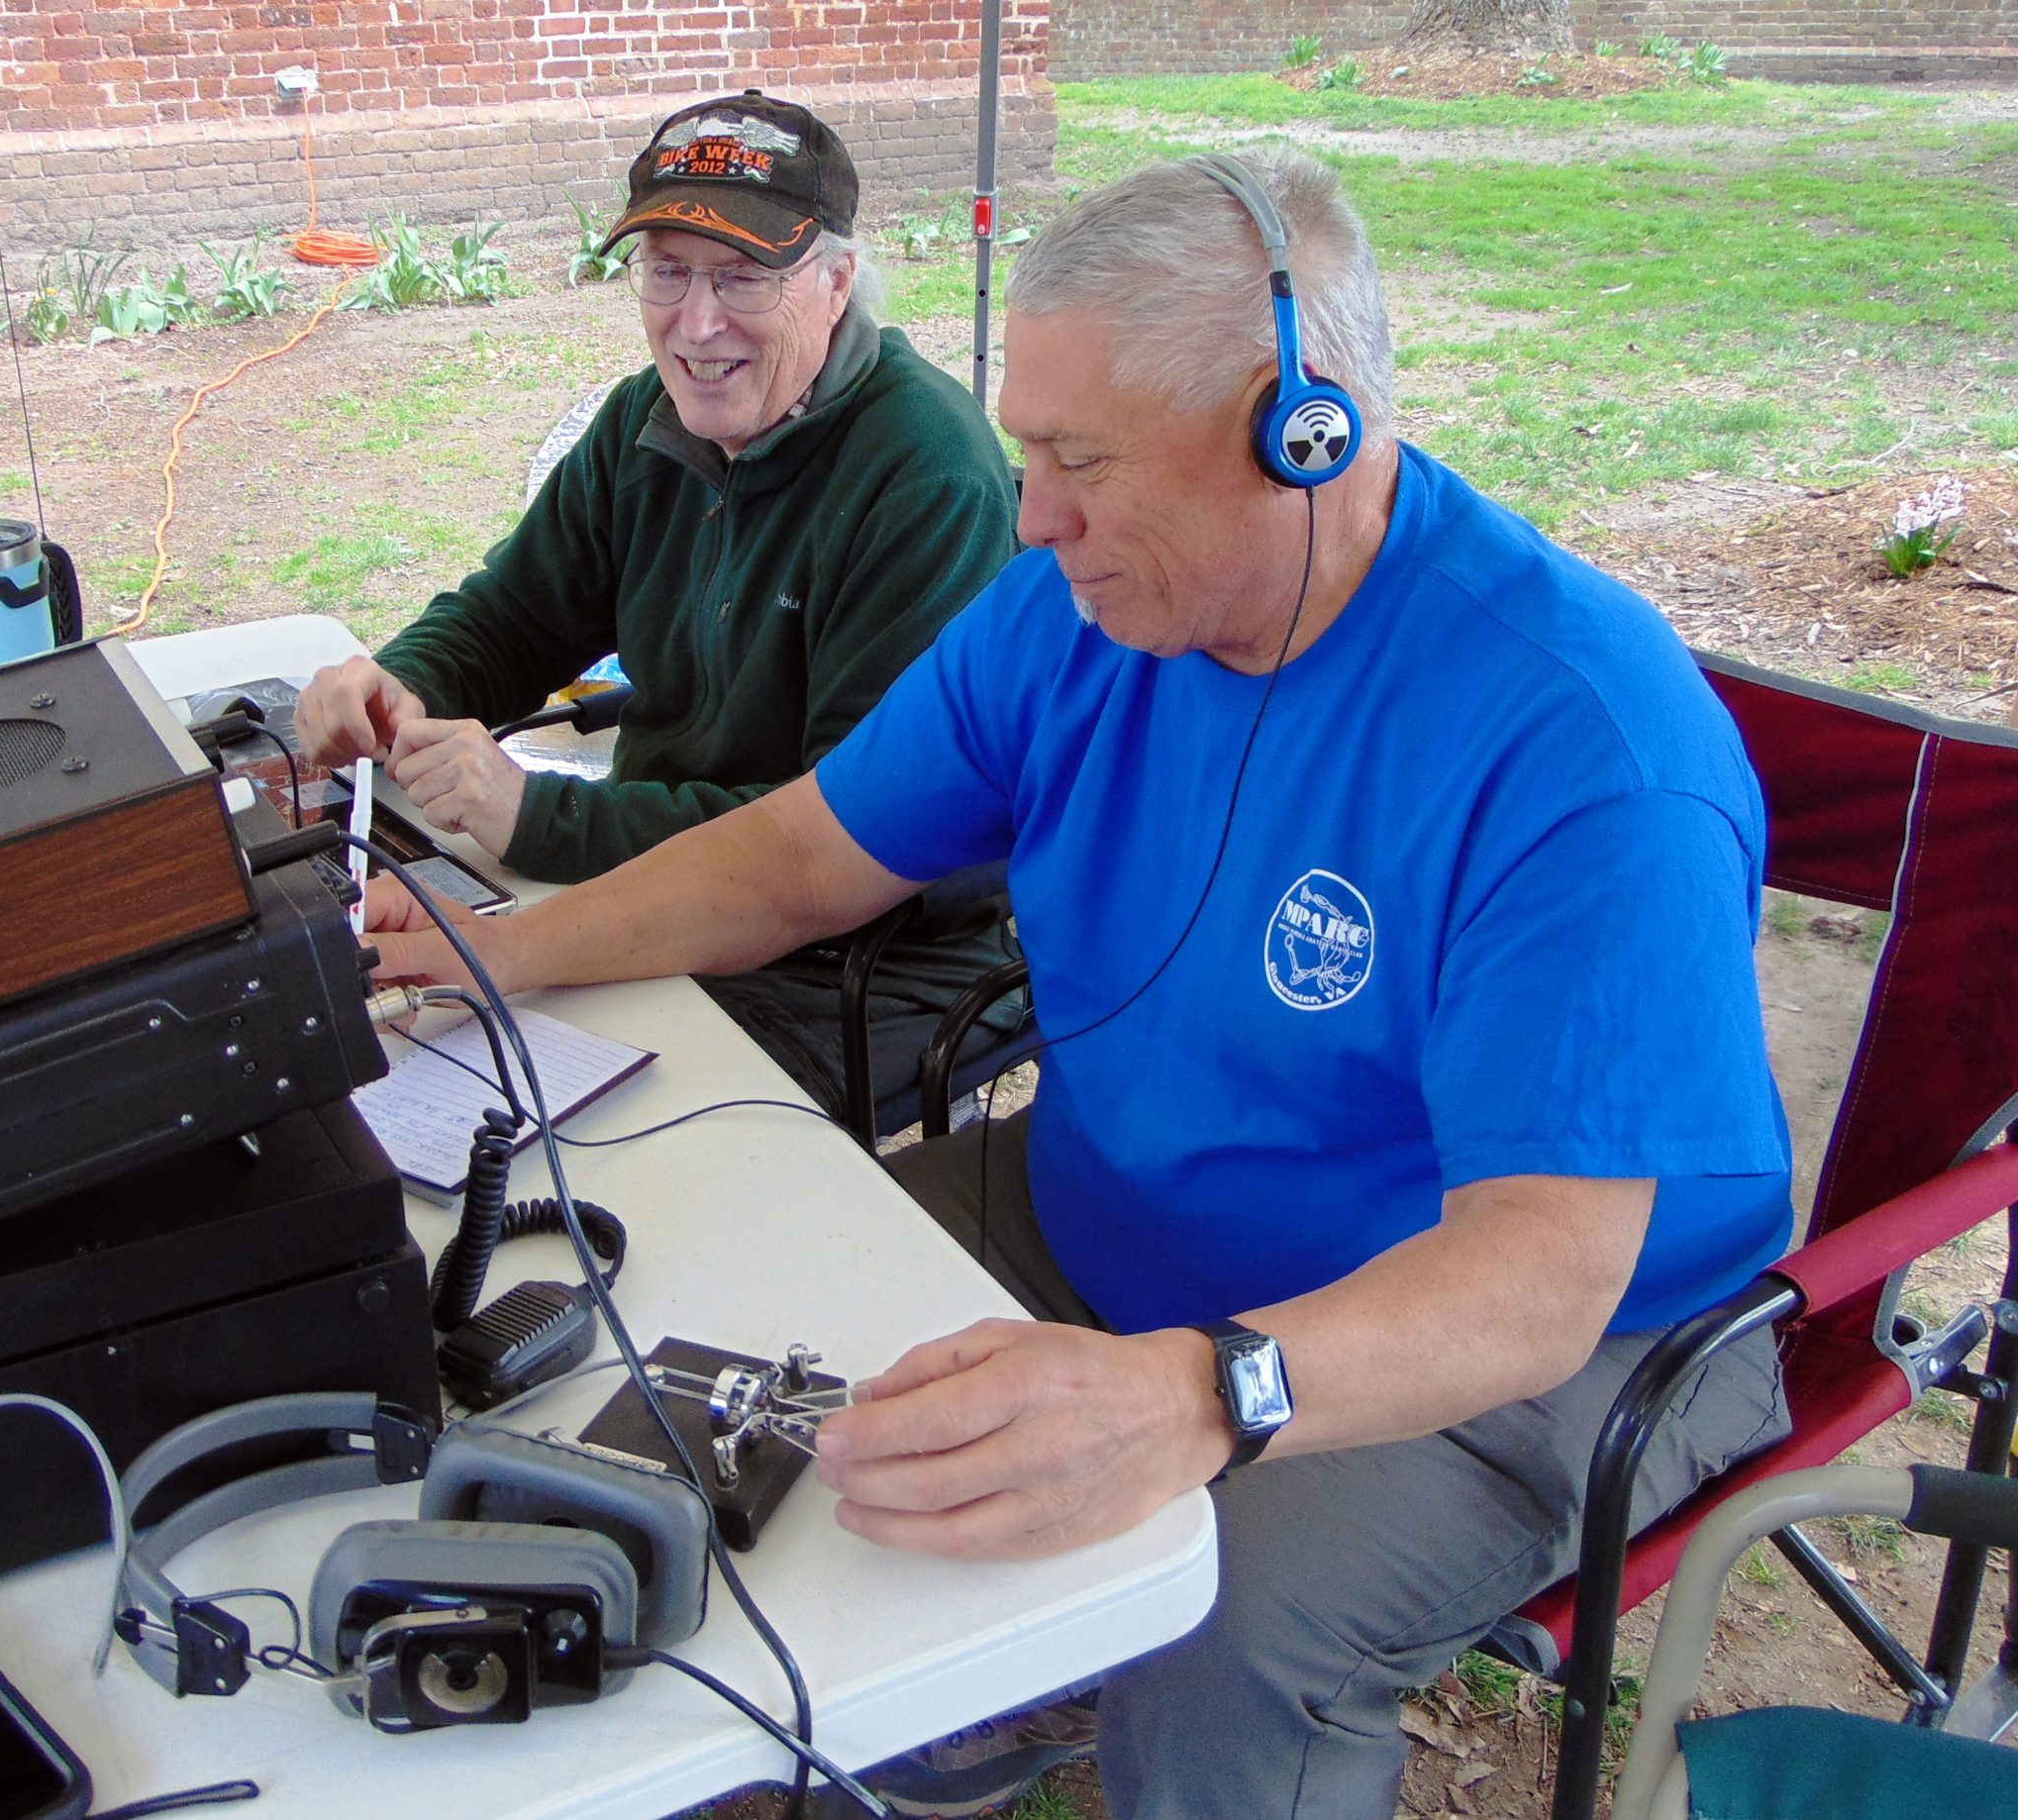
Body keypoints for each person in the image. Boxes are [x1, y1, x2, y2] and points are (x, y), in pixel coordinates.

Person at [360, 147, 1796, 1820]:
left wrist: (1201, 1388)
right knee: (730, 1321)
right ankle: (883, 1727)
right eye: (1025, 450)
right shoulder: (1072, 607)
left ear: (1296, 428)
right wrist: (502, 952)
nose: (1030, 515)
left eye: (1079, 460)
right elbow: (804, 853)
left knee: (1231, 1625)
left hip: (1524, 1355)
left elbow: (1535, 1276)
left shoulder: (1583, 749)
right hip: (1107, 1206)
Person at [293, 89, 1021, 1122]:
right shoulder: (647, 419)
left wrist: (541, 818)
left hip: (867, 954)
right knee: (385, 1052)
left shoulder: (924, 475)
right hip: (662, 885)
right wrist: (394, 685)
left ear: (837, 283)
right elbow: (512, 615)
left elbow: (837, 845)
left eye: (741, 278)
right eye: (667, 271)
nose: (695, 322)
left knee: (553, 1121)